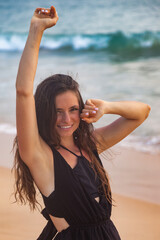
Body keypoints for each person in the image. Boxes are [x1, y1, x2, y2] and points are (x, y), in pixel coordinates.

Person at [13, 5, 151, 240]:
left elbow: (142, 112)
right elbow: (23, 91)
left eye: (73, 109)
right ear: (44, 113)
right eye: (57, 111)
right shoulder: (40, 156)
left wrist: (107, 107)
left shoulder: (90, 144)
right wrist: (36, 30)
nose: (66, 119)